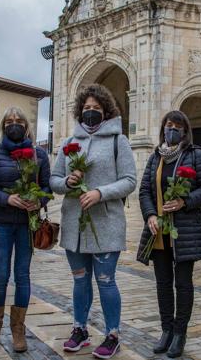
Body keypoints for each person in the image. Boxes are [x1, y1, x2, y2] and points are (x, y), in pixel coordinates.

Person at [49, 84, 137, 359]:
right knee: (80, 281)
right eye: (86, 109)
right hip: (75, 224)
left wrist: (100, 193)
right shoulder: (67, 143)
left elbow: (129, 181)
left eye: (95, 109)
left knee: (106, 280)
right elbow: (53, 181)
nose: (90, 112)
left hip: (106, 224)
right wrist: (67, 181)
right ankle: (80, 329)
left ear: (106, 111)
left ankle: (112, 334)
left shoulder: (117, 141)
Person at [136, 110, 201, 358]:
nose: (172, 129)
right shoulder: (156, 157)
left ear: (185, 130)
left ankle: (180, 333)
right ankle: (166, 330)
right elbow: (145, 190)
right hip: (158, 231)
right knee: (162, 284)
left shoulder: (195, 154)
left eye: (177, 126)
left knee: (183, 284)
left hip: (184, 233)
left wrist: (185, 202)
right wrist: (149, 215)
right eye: (169, 125)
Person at [0, 107, 51, 352]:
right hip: (1, 221)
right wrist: (6, 199)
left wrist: (38, 201)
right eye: (9, 121)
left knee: (22, 275)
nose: (14, 124)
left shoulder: (38, 154)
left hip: (26, 224)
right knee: (1, 274)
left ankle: (18, 329)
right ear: (3, 126)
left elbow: (47, 188)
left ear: (26, 125)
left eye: (19, 121)